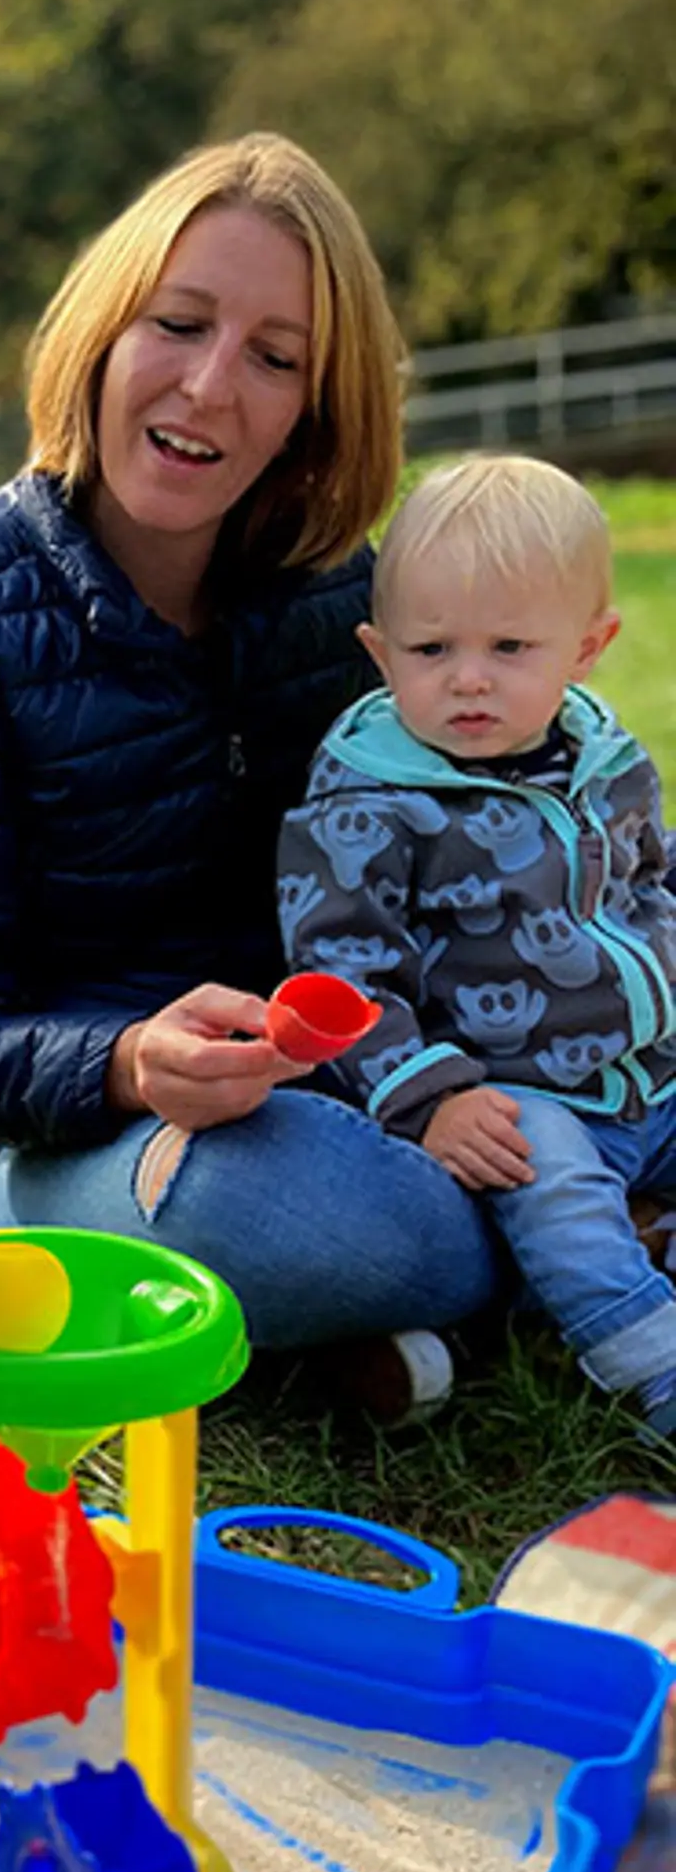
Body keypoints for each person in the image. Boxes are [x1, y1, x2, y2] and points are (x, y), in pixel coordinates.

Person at [0, 131, 498, 1395]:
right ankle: (562, 1246)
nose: (207, 387)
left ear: (315, 407)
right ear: (103, 334)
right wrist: (128, 1058)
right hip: (66, 1152)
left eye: (274, 357)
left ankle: (313, 1340)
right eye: (178, 325)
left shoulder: (345, 595)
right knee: (262, 1201)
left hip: (358, 1082)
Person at [278, 457, 676, 1441]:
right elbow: (341, 971)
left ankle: (546, 1306)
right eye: (430, 647)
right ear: (378, 650)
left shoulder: (606, 757)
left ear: (587, 649)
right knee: (560, 1197)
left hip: (647, 1071)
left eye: (508, 646)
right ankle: (654, 1364)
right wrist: (433, 1095)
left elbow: (649, 885)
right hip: (512, 1092)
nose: (467, 677)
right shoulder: (367, 799)